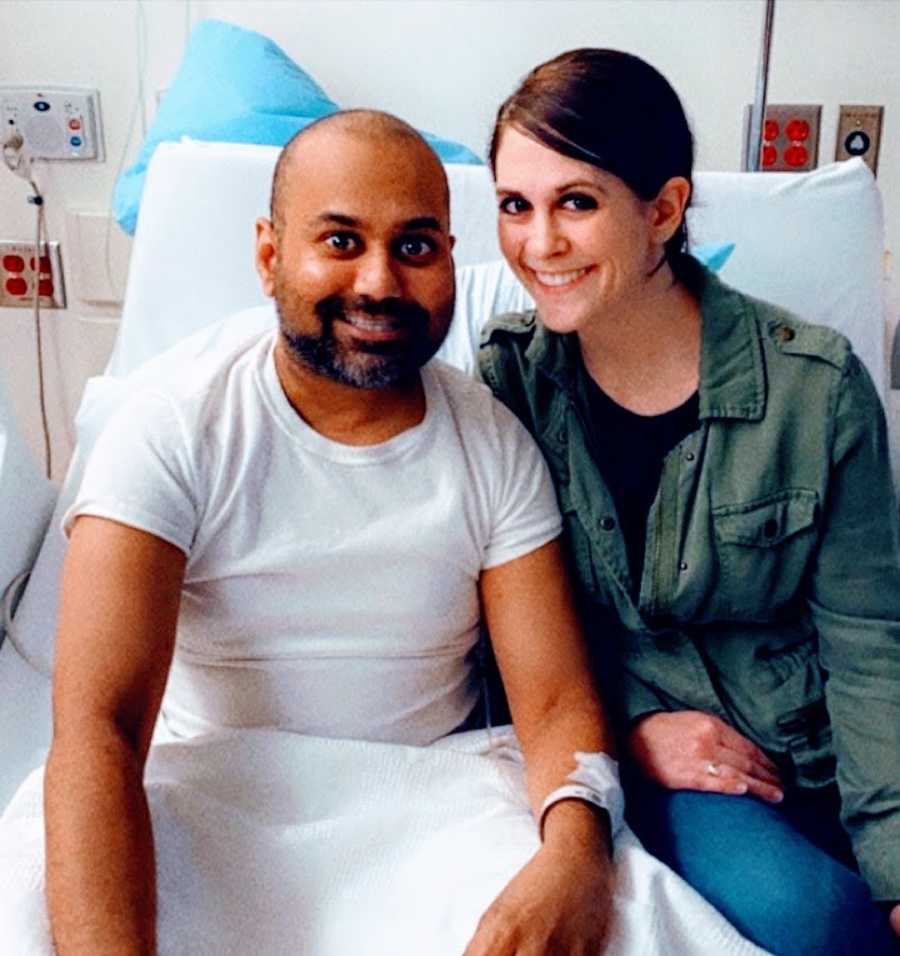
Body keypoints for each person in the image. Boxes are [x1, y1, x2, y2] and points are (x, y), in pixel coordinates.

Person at [37, 109, 621, 955]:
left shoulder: (492, 447)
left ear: (451, 259)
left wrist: (577, 855)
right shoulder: (169, 425)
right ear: (270, 255)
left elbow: (557, 703)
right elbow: (101, 729)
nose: (380, 283)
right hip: (205, 795)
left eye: (415, 247)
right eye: (341, 242)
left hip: (433, 806)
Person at [479, 48, 900, 956]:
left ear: (663, 209)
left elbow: (869, 646)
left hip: (816, 750)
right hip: (643, 754)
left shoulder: (814, 390)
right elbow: (490, 638)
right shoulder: (508, 385)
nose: (538, 243)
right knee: (818, 926)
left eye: (576, 203)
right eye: (516, 205)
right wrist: (632, 739)